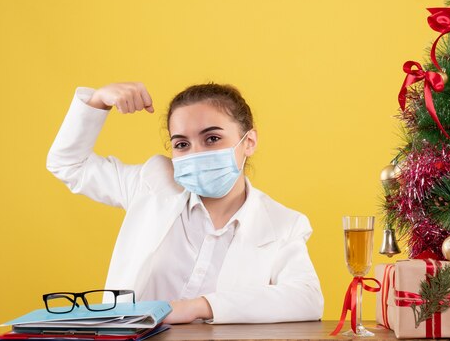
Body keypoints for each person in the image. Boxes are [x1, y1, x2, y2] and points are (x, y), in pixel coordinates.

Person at [46, 82, 324, 324]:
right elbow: (68, 164)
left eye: (212, 139)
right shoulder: (153, 182)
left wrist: (199, 307)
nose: (196, 153)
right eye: (181, 144)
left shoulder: (283, 223)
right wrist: (98, 102)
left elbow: (308, 298)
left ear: (248, 142)